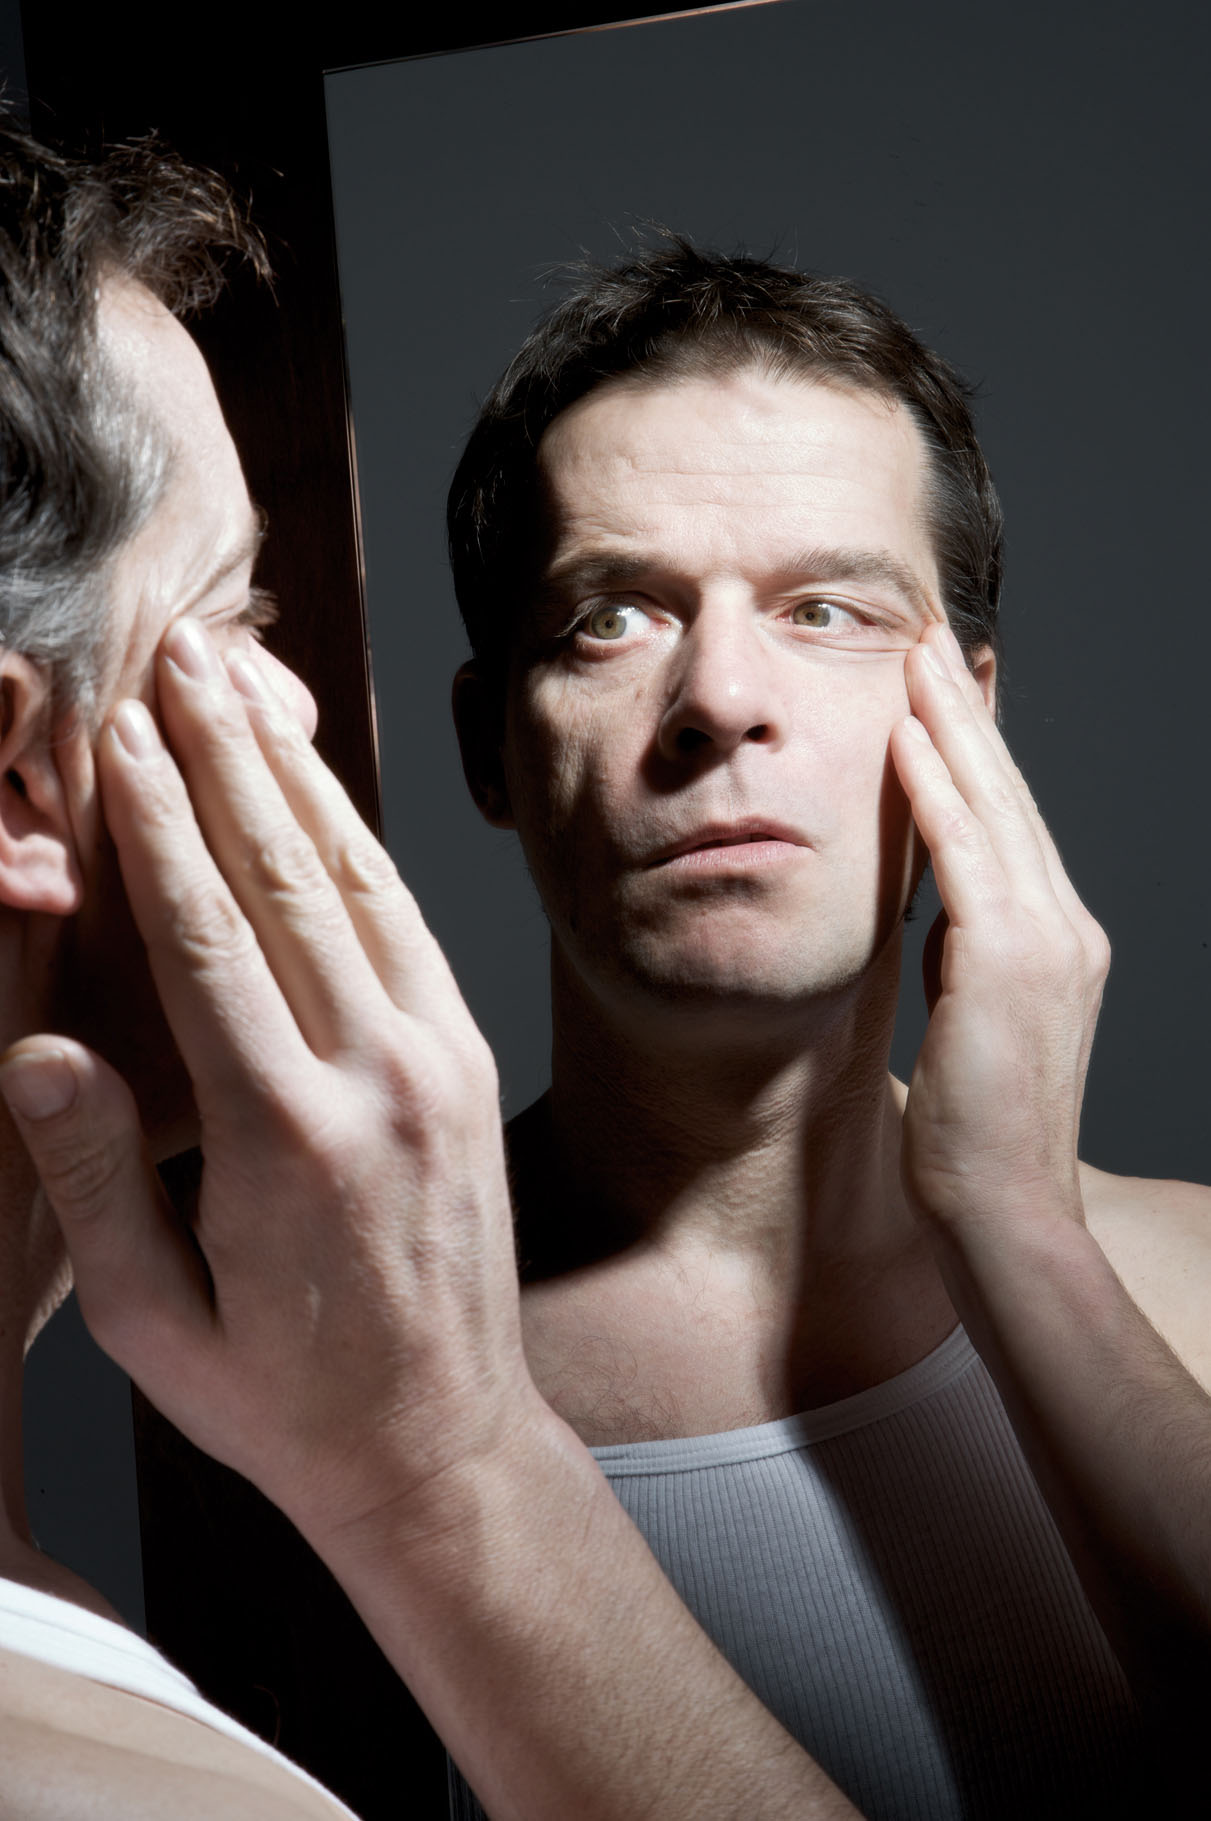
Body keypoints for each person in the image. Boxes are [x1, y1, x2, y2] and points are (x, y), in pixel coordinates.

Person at [3, 141, 1208, 1821]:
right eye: (611, 617)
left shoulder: (1196, 1276)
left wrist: (1021, 1219)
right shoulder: (297, 1339)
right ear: (486, 744)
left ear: (973, 718)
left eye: (829, 610)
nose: (723, 697)